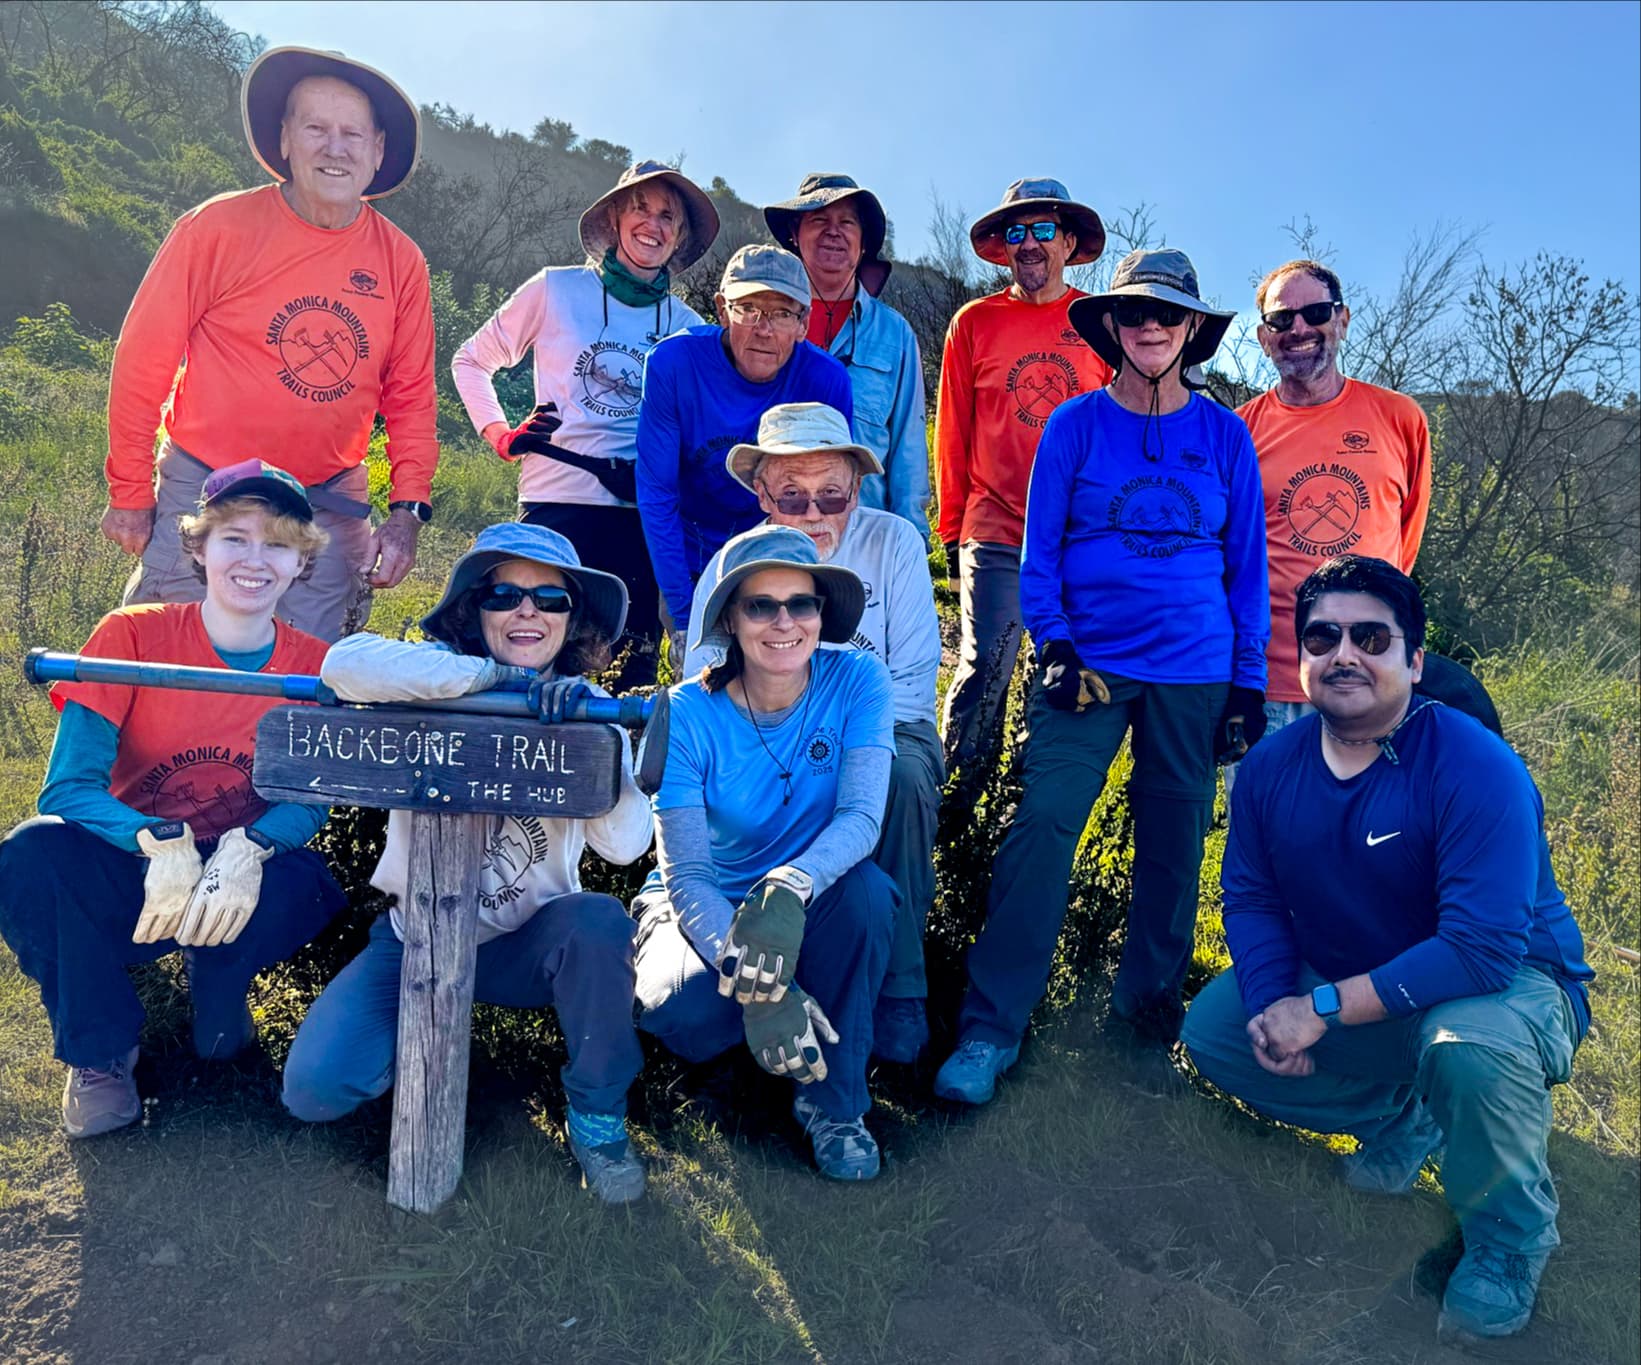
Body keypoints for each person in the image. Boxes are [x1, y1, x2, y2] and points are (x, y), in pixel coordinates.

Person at [1181, 555, 1593, 1346]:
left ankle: (1507, 1241)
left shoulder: (1476, 766)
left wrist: (1321, 1008)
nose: (1344, 653)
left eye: (1370, 636)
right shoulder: (1270, 767)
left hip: (1510, 987)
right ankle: (1404, 1112)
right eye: (1322, 636)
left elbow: (1479, 950)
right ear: (1298, 655)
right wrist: (1274, 999)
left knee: (1467, 1044)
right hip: (1374, 979)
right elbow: (1253, 897)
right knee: (1218, 1031)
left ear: (1413, 658)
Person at [934, 249, 1268, 1105]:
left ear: (1192, 330)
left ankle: (1143, 1029)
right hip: (1090, 664)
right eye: (1134, 314)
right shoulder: (1075, 426)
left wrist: (1246, 682)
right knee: (1043, 821)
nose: (1151, 326)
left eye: (1168, 315)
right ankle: (988, 1026)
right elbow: (1037, 552)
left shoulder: (1224, 434)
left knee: (1173, 845)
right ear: (1112, 328)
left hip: (1194, 671)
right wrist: (1054, 644)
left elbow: (1245, 568)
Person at [282, 524, 654, 1204]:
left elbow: (625, 846)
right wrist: (490, 680)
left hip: (528, 943)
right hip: (415, 934)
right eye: (504, 593)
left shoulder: (583, 710)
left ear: (572, 621)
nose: (527, 612)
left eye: (550, 599)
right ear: (472, 608)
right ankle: (418, 1071)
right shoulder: (430, 677)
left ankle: (597, 1116)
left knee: (598, 922)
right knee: (315, 1087)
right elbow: (342, 663)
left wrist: (591, 736)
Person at [0, 461, 346, 1137]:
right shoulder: (131, 637)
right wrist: (155, 839)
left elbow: (310, 800)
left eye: (277, 543)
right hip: (138, 858)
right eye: (234, 539)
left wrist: (253, 845)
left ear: (301, 561)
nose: (255, 560)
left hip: (240, 868)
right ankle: (100, 1050)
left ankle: (217, 978)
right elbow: (68, 785)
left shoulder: (315, 666)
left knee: (304, 890)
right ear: (197, 546)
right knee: (30, 854)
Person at [101, 46, 438, 642]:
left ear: (377, 151)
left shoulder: (401, 261)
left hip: (329, 497)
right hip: (205, 486)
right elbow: (142, 362)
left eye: (352, 133)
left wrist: (407, 512)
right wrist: (130, 490)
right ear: (284, 138)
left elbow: (410, 397)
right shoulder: (215, 229)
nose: (335, 148)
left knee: (311, 670)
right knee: (169, 649)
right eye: (315, 128)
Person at [632, 526, 897, 1180]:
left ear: (821, 613)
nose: (784, 622)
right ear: (729, 617)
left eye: (800, 604)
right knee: (681, 1009)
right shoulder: (686, 710)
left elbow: (862, 817)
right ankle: (750, 1051)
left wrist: (789, 882)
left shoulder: (858, 679)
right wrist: (758, 982)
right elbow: (688, 873)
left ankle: (832, 1105)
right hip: (706, 899)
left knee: (866, 894)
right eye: (760, 605)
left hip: (807, 897)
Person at [683, 403, 943, 1061]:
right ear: (762, 493)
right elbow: (701, 681)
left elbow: (914, 678)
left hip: (883, 724)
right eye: (792, 496)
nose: (814, 512)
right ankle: (759, 956)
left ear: (857, 486)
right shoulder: (731, 563)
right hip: (763, 731)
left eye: (832, 493)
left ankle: (900, 987)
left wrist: (842, 733)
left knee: (904, 777)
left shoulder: (893, 543)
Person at [452, 161, 719, 688]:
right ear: (616, 217)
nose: (653, 224)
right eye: (641, 208)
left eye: (669, 216)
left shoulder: (691, 329)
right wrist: (500, 435)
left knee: (627, 667)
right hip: (558, 502)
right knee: (532, 658)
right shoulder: (554, 289)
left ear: (680, 236)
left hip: (642, 514)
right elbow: (470, 360)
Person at [935, 178, 1113, 784]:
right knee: (986, 663)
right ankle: (954, 805)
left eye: (1043, 230)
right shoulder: (974, 322)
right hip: (996, 523)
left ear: (1068, 241)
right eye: (1017, 232)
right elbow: (954, 427)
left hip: (1078, 535)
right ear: (1003, 247)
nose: (1030, 243)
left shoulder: (1098, 321)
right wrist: (953, 523)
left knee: (1060, 668)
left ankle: (1027, 799)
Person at [1231, 259, 1431, 753]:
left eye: (1315, 312)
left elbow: (1404, 546)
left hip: (1375, 678)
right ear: (1263, 335)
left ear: (1341, 320)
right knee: (1268, 829)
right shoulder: (1236, 432)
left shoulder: (1400, 419)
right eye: (1281, 319)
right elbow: (1225, 556)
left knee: (1381, 828)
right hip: (1271, 683)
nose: (1298, 328)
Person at [636, 245, 854, 651]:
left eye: (782, 313)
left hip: (778, 545)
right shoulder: (672, 364)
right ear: (721, 310)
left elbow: (833, 499)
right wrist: (685, 617)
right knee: (703, 685)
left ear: (804, 323)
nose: (764, 328)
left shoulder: (826, 381)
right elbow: (657, 494)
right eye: (748, 308)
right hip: (690, 542)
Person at [764, 173, 930, 537]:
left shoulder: (895, 334)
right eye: (819, 220)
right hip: (774, 532)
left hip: (866, 534)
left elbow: (908, 450)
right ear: (795, 232)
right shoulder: (761, 323)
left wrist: (911, 543)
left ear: (863, 239)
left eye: (847, 222)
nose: (833, 232)